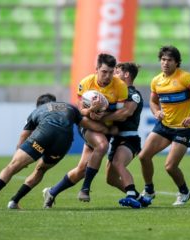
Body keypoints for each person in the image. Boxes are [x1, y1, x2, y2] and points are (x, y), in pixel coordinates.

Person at [0, 93, 114, 210]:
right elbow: (91, 125)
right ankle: (14, 201)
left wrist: (19, 152)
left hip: (44, 133)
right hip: (63, 141)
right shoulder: (69, 107)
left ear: (39, 104)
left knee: (13, 166)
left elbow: (24, 135)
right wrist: (109, 129)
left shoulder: (37, 111)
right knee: (40, 170)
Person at [42, 53, 129, 208]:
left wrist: (104, 113)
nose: (107, 76)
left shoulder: (120, 87)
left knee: (82, 169)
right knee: (102, 146)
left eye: (110, 72)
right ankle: (85, 188)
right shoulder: (86, 83)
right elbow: (80, 110)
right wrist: (91, 111)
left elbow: (121, 115)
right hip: (87, 124)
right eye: (104, 72)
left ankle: (52, 192)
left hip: (105, 128)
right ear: (97, 69)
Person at [138, 45, 190, 206]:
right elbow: (153, 101)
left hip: (184, 127)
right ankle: (149, 190)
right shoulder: (156, 81)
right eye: (163, 59)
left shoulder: (186, 78)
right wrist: (156, 112)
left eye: (170, 60)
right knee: (143, 156)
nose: (165, 63)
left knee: (170, 166)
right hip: (164, 126)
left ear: (177, 62)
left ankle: (184, 192)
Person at [102, 62, 151, 208]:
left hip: (129, 138)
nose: (113, 75)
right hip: (117, 139)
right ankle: (139, 198)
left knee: (118, 163)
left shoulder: (133, 94)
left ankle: (130, 195)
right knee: (110, 179)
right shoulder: (118, 94)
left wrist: (102, 117)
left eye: (116, 72)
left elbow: (127, 112)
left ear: (126, 74)